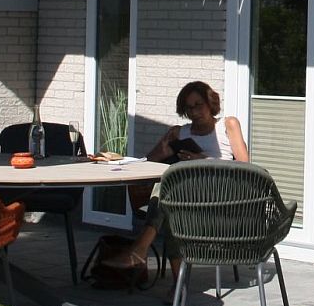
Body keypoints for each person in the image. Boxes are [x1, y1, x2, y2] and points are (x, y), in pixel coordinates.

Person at [98, 81, 247, 273]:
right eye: (189, 107)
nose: (194, 112)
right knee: (171, 206)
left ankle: (139, 250)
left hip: (218, 194)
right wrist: (164, 150)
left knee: (169, 187)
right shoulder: (179, 132)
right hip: (184, 195)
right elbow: (149, 161)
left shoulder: (228, 125)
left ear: (210, 103)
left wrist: (202, 159)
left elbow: (244, 166)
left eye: (198, 105)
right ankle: (178, 284)